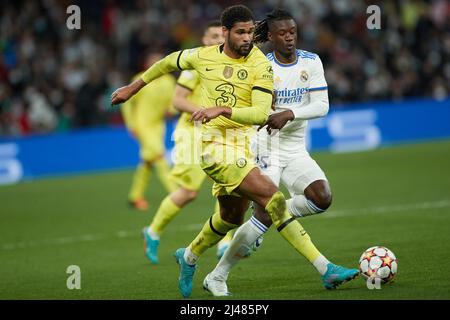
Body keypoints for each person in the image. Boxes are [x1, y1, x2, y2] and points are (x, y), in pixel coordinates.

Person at [111, 5, 357, 299]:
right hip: (215, 148)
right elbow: (166, 63)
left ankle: (189, 256)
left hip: (246, 147)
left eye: (251, 32)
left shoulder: (259, 64)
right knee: (273, 200)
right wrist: (133, 87)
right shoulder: (202, 56)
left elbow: (260, 113)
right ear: (225, 33)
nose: (246, 38)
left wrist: (224, 109)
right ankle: (325, 268)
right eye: (240, 32)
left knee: (231, 218)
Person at [203, 8, 360, 296]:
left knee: (321, 198)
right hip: (264, 147)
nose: (289, 38)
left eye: (293, 32)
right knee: (264, 215)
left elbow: (322, 106)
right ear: (271, 37)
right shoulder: (260, 65)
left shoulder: (311, 62)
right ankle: (218, 275)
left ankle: (265, 216)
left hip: (295, 148)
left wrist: (288, 113)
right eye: (283, 34)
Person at [141, 21, 234, 264]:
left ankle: (225, 243)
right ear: (204, 40)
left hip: (218, 133)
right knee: (188, 192)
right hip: (191, 133)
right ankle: (152, 232)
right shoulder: (195, 66)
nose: (217, 40)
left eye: (220, 36)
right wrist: (206, 111)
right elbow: (178, 101)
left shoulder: (231, 66)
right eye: (212, 35)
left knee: (228, 186)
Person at [121, 53, 178, 211]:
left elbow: (174, 100)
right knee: (159, 156)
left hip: (158, 125)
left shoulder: (168, 81)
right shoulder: (140, 79)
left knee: (147, 161)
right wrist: (131, 124)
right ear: (147, 64)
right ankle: (175, 193)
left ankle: (135, 196)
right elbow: (127, 104)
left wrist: (171, 110)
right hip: (142, 125)